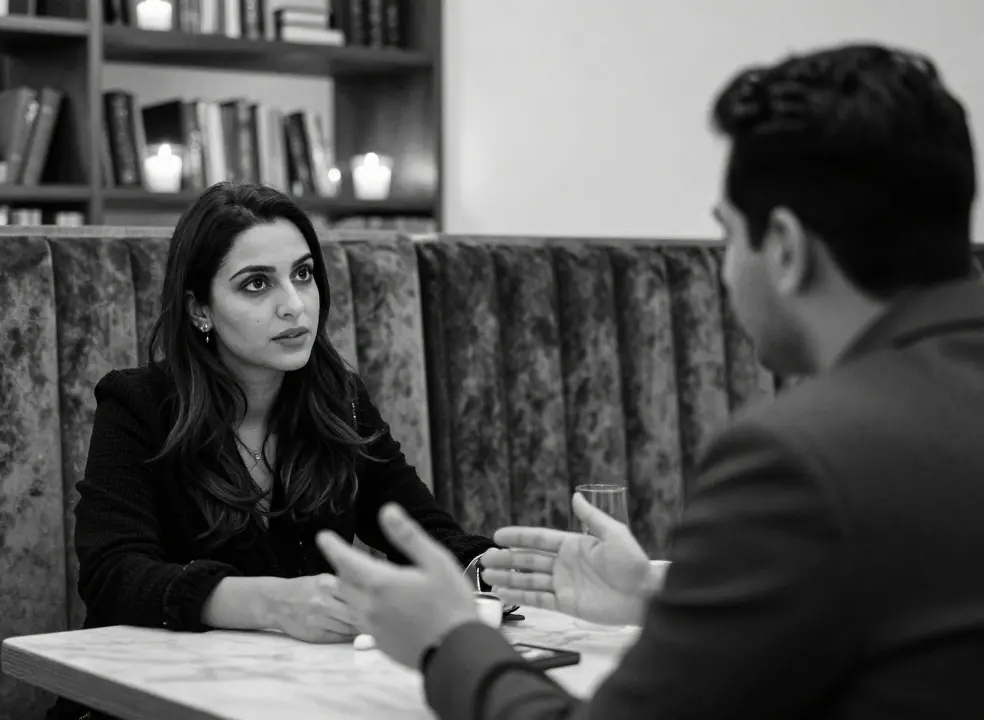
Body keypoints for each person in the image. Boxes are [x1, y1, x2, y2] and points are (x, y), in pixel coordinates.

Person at [315, 42, 984, 719]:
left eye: (728, 238)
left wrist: (448, 642)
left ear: (784, 248)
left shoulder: (803, 459)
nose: (726, 271)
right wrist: (657, 598)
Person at [49, 182, 498, 719]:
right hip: (144, 703)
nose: (293, 305)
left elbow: (421, 532)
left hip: (289, 697)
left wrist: (502, 570)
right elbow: (113, 574)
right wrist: (274, 602)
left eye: (303, 274)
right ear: (200, 309)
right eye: (256, 284)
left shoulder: (338, 399)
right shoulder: (139, 404)